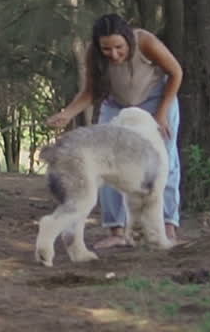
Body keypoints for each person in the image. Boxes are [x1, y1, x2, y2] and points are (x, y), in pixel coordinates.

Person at [46, 13, 183, 247]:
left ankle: (167, 226)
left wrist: (162, 113)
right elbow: (90, 92)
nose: (114, 55)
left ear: (128, 40)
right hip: (116, 105)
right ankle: (116, 230)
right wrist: (67, 113)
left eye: (119, 47)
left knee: (163, 161)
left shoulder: (146, 42)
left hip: (156, 100)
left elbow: (176, 72)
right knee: (107, 163)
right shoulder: (93, 53)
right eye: (107, 49)